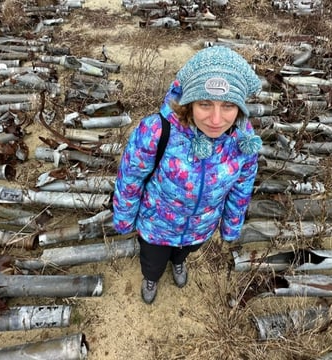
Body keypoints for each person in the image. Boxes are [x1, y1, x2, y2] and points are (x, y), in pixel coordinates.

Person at [112, 46, 262, 304]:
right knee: (153, 261)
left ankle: (179, 262)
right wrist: (124, 220)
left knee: (184, 253)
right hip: (156, 227)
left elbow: (242, 187)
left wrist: (230, 226)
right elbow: (130, 180)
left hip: (200, 228)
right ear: (189, 102)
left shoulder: (244, 139)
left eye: (228, 105)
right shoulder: (157, 131)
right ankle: (151, 277)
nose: (216, 119)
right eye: (205, 104)